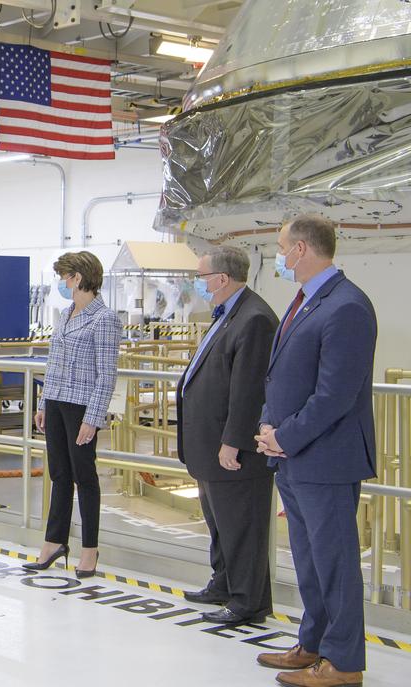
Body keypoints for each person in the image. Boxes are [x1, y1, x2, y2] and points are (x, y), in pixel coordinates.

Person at [254, 214, 376, 687]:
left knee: (335, 562)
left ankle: (344, 663)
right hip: (294, 456)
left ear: (302, 249)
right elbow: (282, 375)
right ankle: (314, 643)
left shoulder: (346, 306)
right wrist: (269, 424)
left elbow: (334, 395)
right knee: (308, 559)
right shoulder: (305, 302)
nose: (281, 256)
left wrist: (285, 436)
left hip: (326, 457)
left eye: (284, 248)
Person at [175, 246, 278, 625]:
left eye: (200, 276)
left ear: (220, 279)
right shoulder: (227, 314)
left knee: (242, 525)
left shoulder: (254, 319)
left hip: (233, 448)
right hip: (209, 444)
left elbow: (249, 390)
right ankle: (222, 582)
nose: (196, 283)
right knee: (220, 522)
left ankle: (248, 601)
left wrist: (232, 440)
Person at [24, 251, 121, 578]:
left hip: (81, 407)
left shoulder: (104, 318)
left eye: (65, 277)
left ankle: (90, 550)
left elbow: (106, 374)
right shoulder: (66, 314)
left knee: (85, 477)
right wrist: (43, 404)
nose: (62, 283)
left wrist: (92, 419)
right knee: (59, 475)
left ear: (78, 277)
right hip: (56, 402)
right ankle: (55, 541)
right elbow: (53, 364)